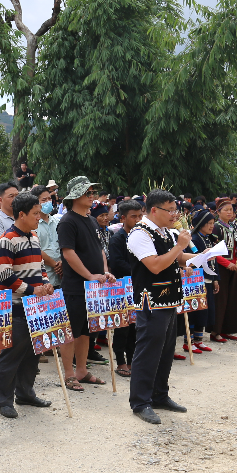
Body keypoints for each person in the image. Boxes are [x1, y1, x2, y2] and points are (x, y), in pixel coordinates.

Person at [126, 190, 192, 425]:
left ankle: (159, 394)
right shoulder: (139, 233)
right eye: (170, 210)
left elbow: (179, 257)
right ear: (154, 210)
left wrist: (201, 257)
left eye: (176, 210)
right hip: (151, 300)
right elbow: (154, 265)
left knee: (165, 350)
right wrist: (179, 248)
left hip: (170, 298)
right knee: (148, 350)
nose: (175, 214)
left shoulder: (166, 232)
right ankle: (140, 401)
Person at [0, 191, 54, 418]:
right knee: (11, 355)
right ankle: (4, 400)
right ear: (22, 214)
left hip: (36, 307)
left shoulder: (34, 237)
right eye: (36, 213)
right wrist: (32, 290)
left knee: (32, 353)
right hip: (16, 307)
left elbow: (41, 268)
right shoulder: (6, 240)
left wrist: (46, 284)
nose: (39, 217)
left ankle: (26, 393)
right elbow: (4, 276)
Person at [57, 176, 110, 390]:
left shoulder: (89, 219)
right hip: (76, 287)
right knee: (71, 332)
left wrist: (105, 272)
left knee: (87, 331)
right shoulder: (68, 221)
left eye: (92, 192)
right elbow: (68, 253)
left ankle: (82, 370)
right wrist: (89, 275)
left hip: (94, 288)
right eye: (88, 193)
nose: (92, 196)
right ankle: (69, 374)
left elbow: (99, 251)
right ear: (75, 196)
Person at [107, 199, 143, 377]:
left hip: (138, 287)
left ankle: (132, 361)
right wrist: (140, 269)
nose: (137, 220)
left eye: (140, 216)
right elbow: (116, 263)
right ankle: (120, 361)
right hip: (122, 288)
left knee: (136, 327)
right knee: (122, 326)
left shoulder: (143, 236)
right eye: (133, 216)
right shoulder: (117, 239)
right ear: (123, 218)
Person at [209, 200, 237, 340]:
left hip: (232, 266)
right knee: (221, 299)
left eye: (231, 210)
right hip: (221, 267)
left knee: (232, 299)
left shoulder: (232, 227)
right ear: (218, 212)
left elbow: (235, 246)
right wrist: (226, 263)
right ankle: (215, 331)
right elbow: (212, 251)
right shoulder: (216, 227)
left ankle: (227, 329)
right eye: (226, 210)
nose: (230, 212)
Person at [186, 209, 219, 348]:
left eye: (213, 223)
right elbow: (190, 261)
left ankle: (199, 340)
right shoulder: (193, 240)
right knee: (195, 311)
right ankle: (189, 341)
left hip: (209, 279)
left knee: (205, 311)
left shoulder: (209, 239)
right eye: (209, 223)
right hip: (197, 281)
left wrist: (216, 278)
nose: (212, 226)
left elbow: (213, 262)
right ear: (201, 224)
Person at [35, 186, 62, 291]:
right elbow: (36, 249)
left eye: (49, 199)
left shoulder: (57, 222)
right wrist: (55, 265)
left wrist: (62, 263)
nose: (48, 202)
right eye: (44, 200)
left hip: (61, 276)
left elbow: (64, 244)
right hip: (44, 278)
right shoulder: (33, 225)